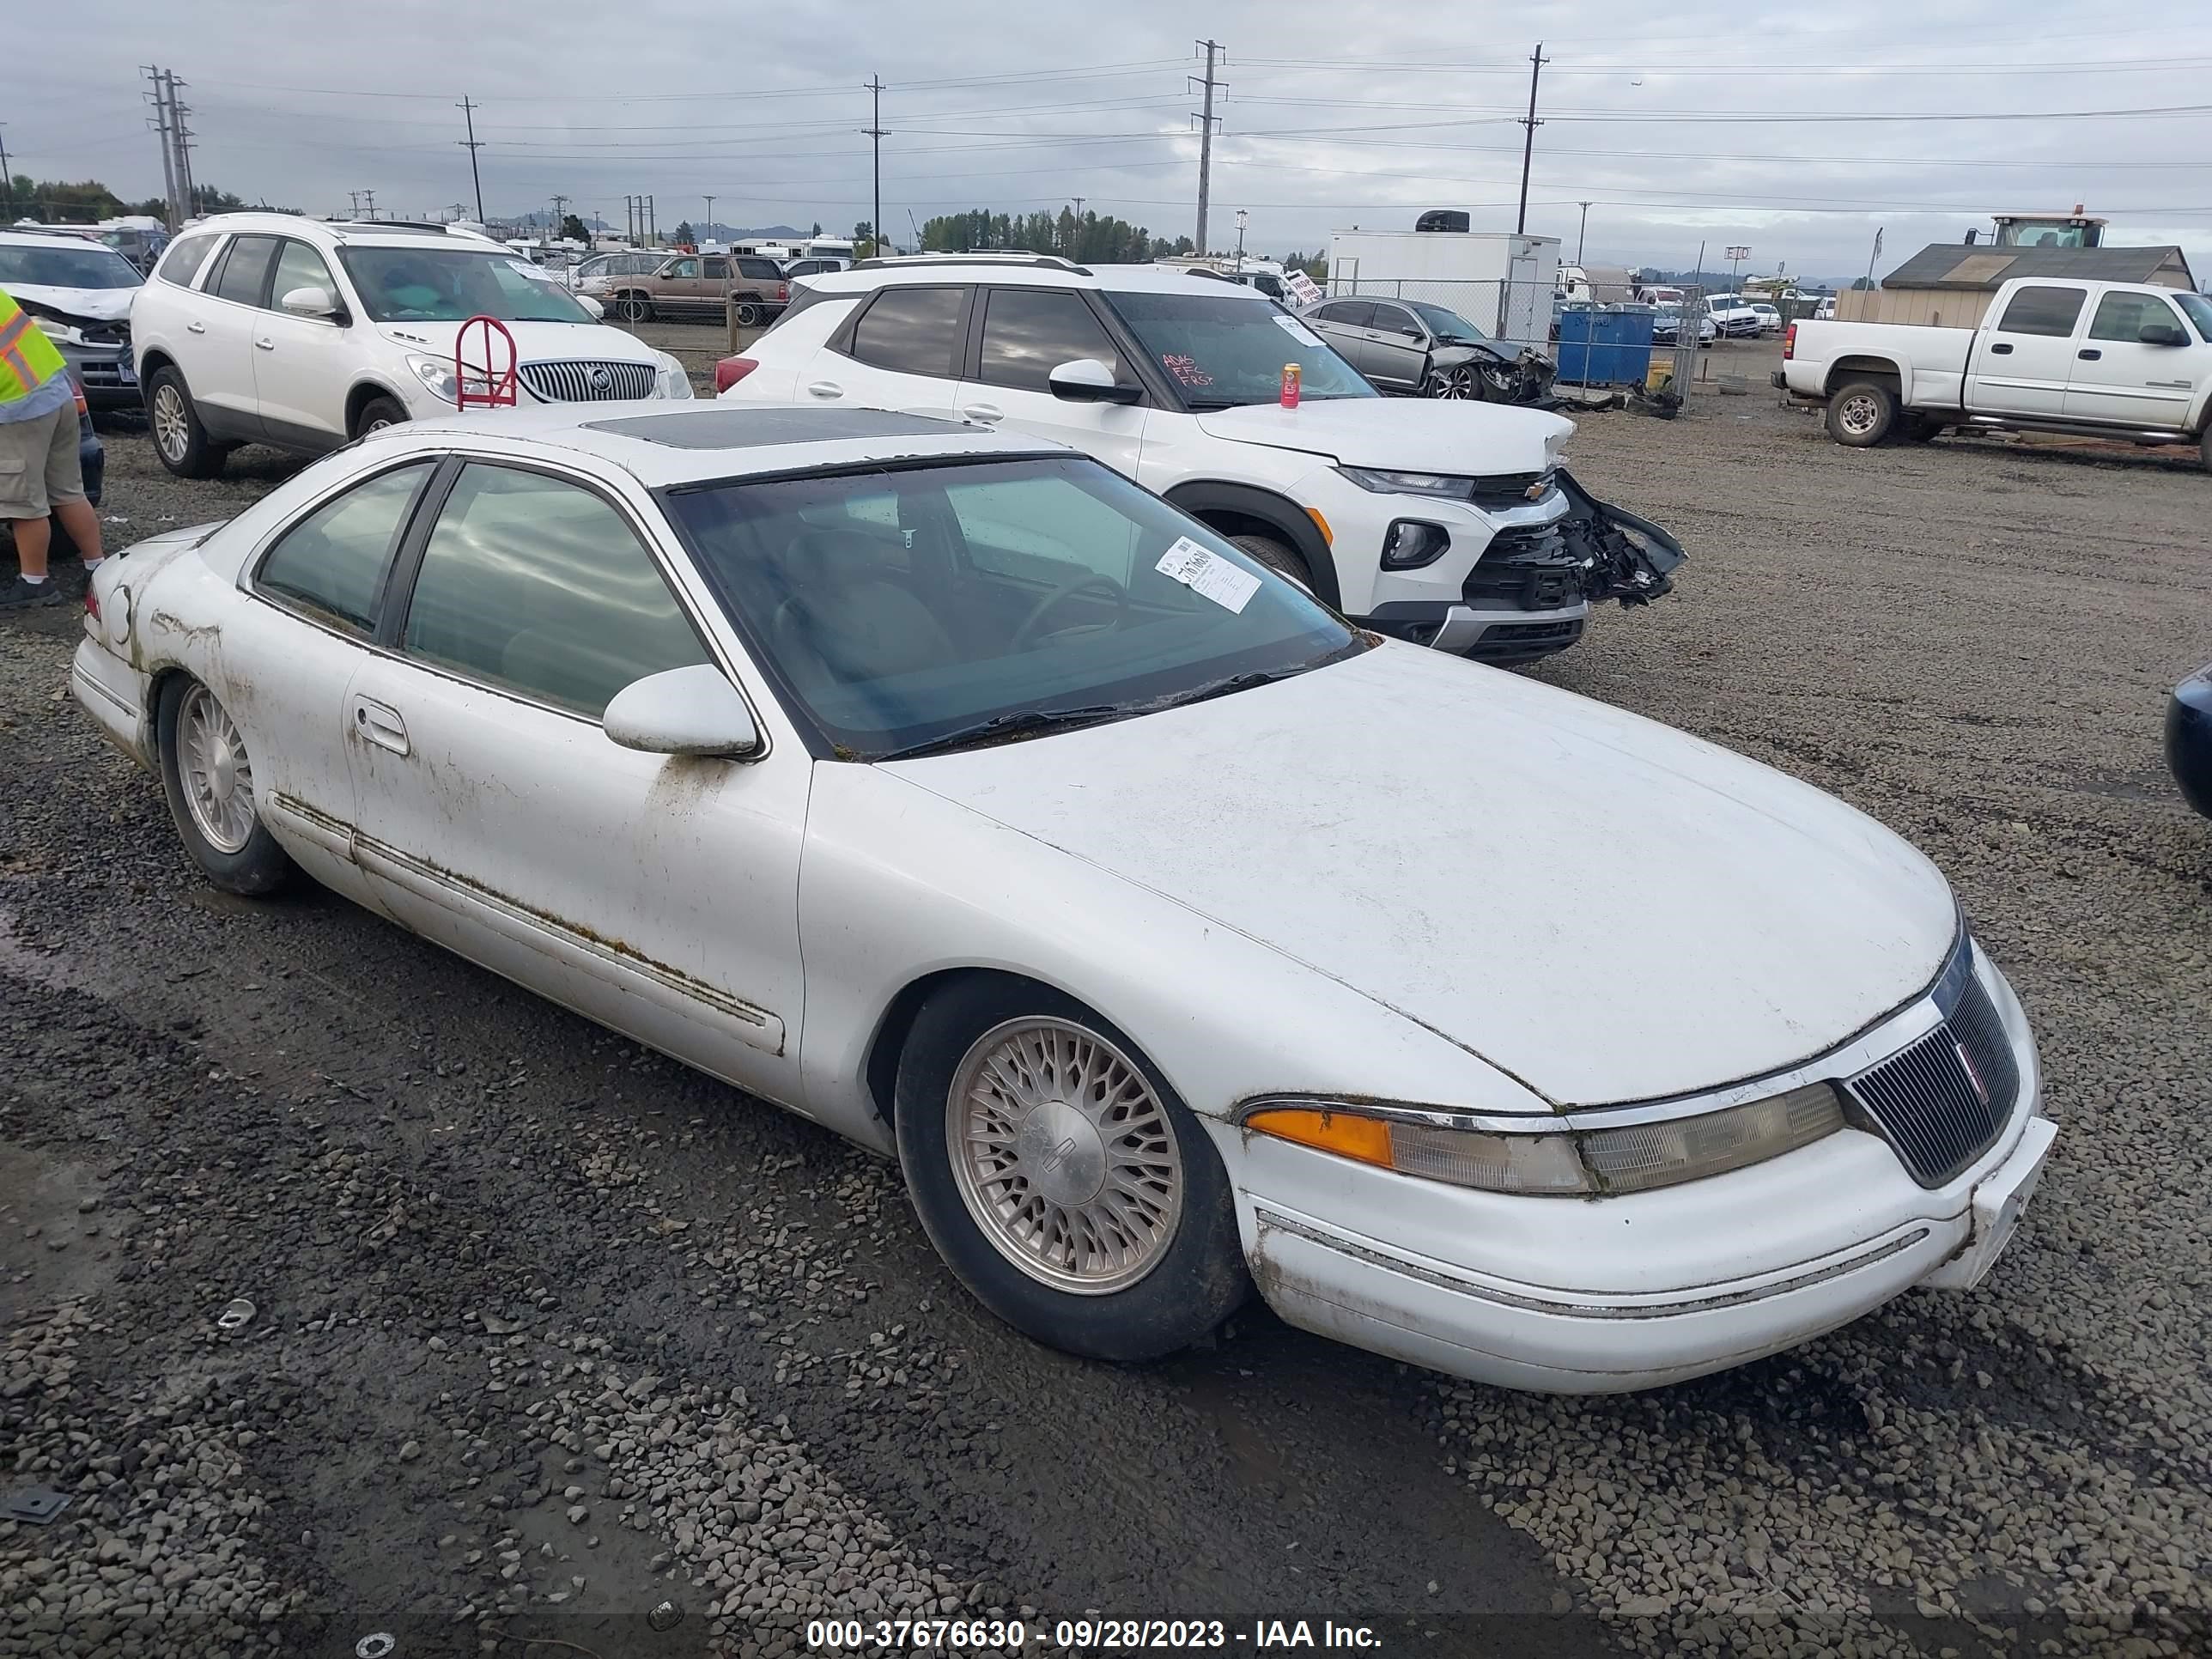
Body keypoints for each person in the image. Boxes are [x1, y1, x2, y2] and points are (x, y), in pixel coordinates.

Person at [1, 283, 105, 610]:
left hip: (20, 405)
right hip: (57, 393)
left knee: (23, 502)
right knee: (67, 490)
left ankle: (35, 583)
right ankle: (97, 569)